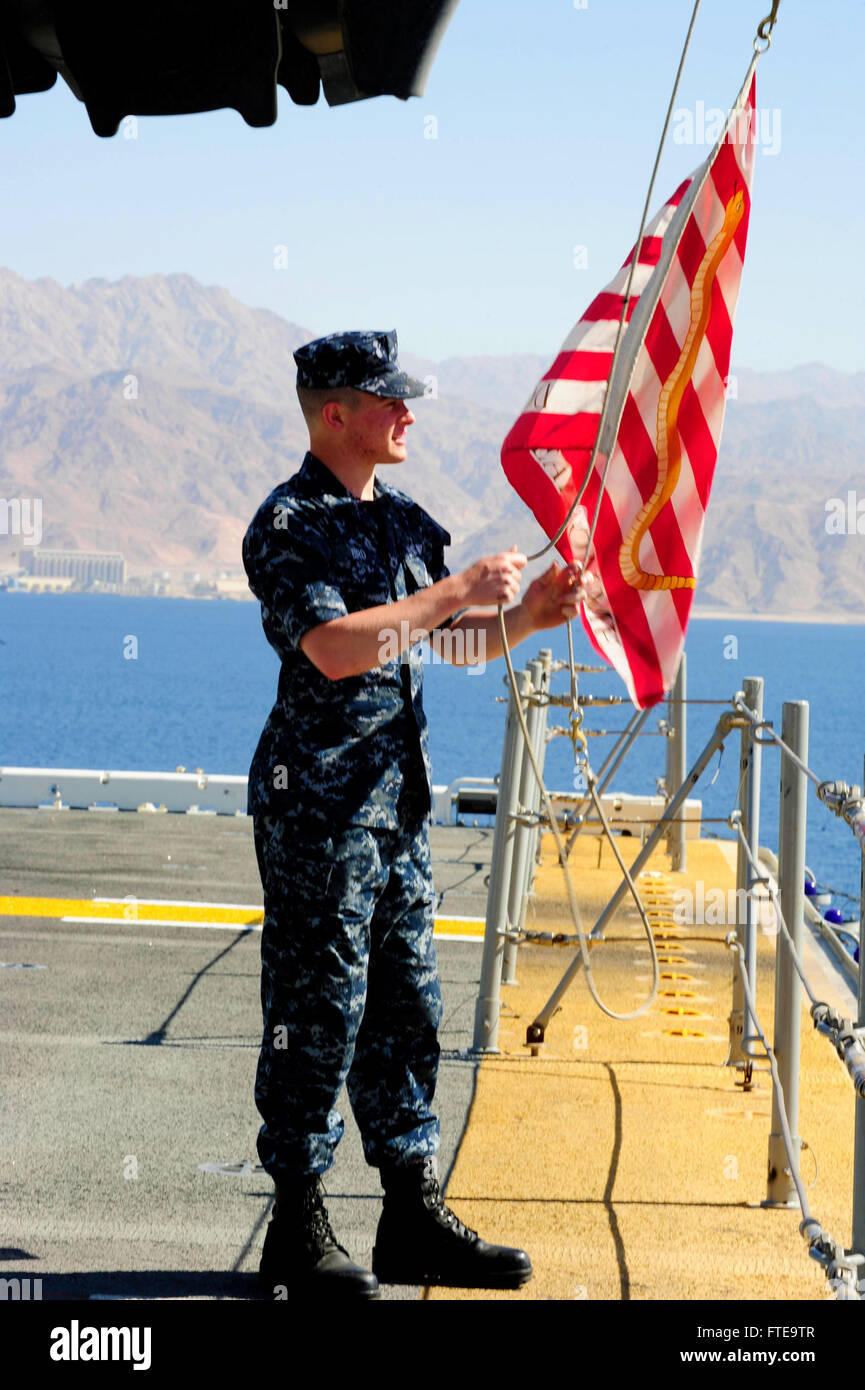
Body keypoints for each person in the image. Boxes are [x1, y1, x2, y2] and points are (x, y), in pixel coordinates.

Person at [242, 329, 583, 1300]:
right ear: (332, 410)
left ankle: (409, 1213)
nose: (408, 414)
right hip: (318, 807)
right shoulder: (288, 524)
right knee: (317, 1010)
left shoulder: (403, 523)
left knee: (406, 1006)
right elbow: (336, 649)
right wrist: (456, 590)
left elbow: (450, 644)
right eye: (388, 400)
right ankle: (298, 1222)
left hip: (396, 807)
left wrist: (526, 616)